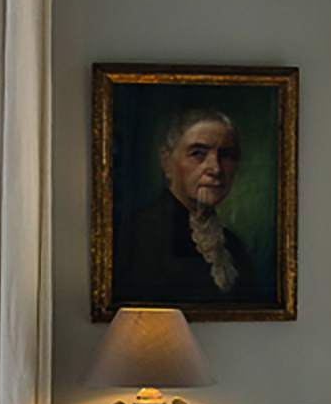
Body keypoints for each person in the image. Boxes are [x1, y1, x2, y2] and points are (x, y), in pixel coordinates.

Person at [116, 105, 271, 312]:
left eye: (227, 155)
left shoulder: (233, 246)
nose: (215, 169)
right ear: (166, 162)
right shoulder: (140, 235)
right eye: (198, 154)